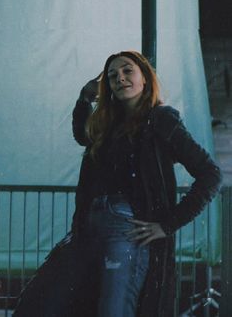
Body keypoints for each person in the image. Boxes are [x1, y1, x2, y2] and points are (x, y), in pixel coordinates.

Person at [13, 50, 222, 317]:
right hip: (86, 229)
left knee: (113, 310)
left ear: (145, 78)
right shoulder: (106, 124)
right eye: (112, 76)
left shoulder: (161, 119)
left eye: (127, 71)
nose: (119, 78)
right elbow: (81, 134)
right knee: (39, 302)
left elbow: (210, 174)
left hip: (126, 230)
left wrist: (168, 224)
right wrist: (85, 97)